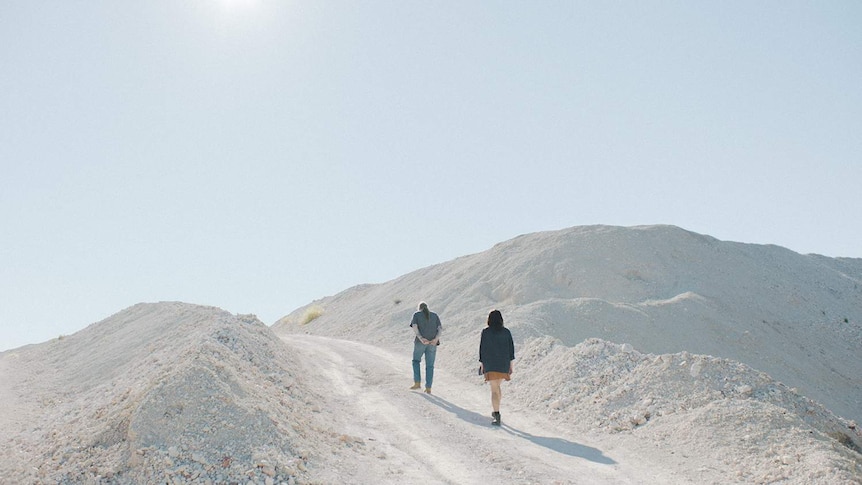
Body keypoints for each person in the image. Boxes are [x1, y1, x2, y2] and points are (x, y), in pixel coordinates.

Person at [479, 309, 514, 426]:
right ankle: (497, 409)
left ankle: (496, 412)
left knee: (494, 389)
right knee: (497, 386)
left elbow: (482, 350)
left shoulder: (486, 332)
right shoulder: (506, 332)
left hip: (491, 364)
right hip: (503, 364)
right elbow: (511, 350)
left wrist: (483, 365)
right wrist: (510, 366)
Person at [409, 301, 442, 394]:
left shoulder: (416, 315)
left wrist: (421, 338)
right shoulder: (435, 315)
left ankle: (417, 382)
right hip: (433, 343)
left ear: (419, 308)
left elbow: (415, 327)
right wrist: (435, 339)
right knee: (430, 366)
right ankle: (428, 388)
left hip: (421, 342)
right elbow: (440, 329)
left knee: (416, 361)